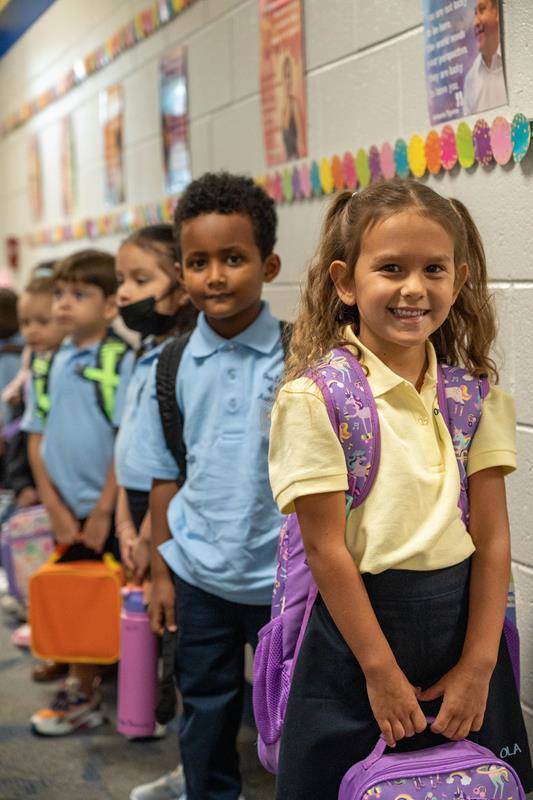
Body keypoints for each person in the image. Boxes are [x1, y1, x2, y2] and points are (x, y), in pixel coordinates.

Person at [268, 179, 533, 800]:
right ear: (343, 281)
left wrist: (478, 666)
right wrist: (381, 674)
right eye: (391, 268)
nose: (414, 288)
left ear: (459, 280)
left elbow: (494, 542)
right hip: (355, 637)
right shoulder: (316, 398)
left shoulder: (476, 398)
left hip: (463, 630)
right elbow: (327, 551)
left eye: (433, 269)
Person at [126, 172, 285, 800]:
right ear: (181, 270)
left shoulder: (302, 356)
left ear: (268, 265)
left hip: (285, 579)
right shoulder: (168, 367)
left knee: (298, 715)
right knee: (207, 709)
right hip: (197, 576)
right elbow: (164, 478)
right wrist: (162, 572)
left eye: (233, 258)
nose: (215, 276)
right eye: (197, 262)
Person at [22, 249, 134, 734]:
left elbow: (124, 443)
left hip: (103, 507)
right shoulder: (47, 360)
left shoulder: (117, 359)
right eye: (62, 294)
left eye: (80, 295)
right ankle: (80, 674)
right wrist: (52, 503)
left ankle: (93, 687)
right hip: (64, 506)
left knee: (109, 595)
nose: (65, 304)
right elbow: (35, 436)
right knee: (71, 595)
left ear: (110, 306)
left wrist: (104, 511)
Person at [114, 223, 197, 584]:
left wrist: (150, 530)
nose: (123, 294)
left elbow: (178, 462)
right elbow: (125, 445)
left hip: (163, 508)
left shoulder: (182, 361)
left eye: (141, 280)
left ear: (180, 290)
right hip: (131, 502)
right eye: (121, 280)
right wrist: (122, 519)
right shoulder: (141, 352)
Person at [463, 0, 507, 115]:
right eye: (475, 14)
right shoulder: (471, 79)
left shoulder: (516, 61)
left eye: (482, 10)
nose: (475, 22)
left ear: (497, 12)